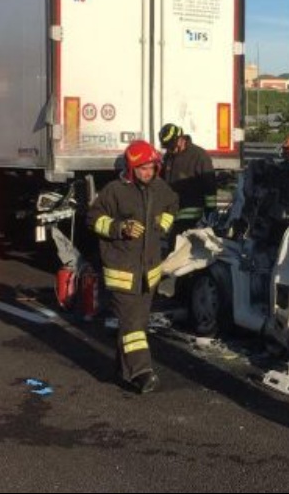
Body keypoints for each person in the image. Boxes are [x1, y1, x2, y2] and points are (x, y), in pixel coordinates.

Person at [86, 140, 179, 394]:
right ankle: (140, 373)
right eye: (142, 169)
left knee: (134, 323)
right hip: (122, 272)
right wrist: (120, 228)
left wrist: (164, 223)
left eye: (151, 167)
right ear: (131, 168)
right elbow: (93, 219)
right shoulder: (114, 191)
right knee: (134, 325)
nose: (148, 173)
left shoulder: (160, 188)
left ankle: (121, 369)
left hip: (148, 275)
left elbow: (173, 204)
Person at [158, 123, 216, 234]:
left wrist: (211, 210)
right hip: (172, 213)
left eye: (171, 147)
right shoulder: (169, 157)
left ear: (181, 139)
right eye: (167, 147)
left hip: (192, 216)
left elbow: (210, 184)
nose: (170, 150)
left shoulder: (199, 156)